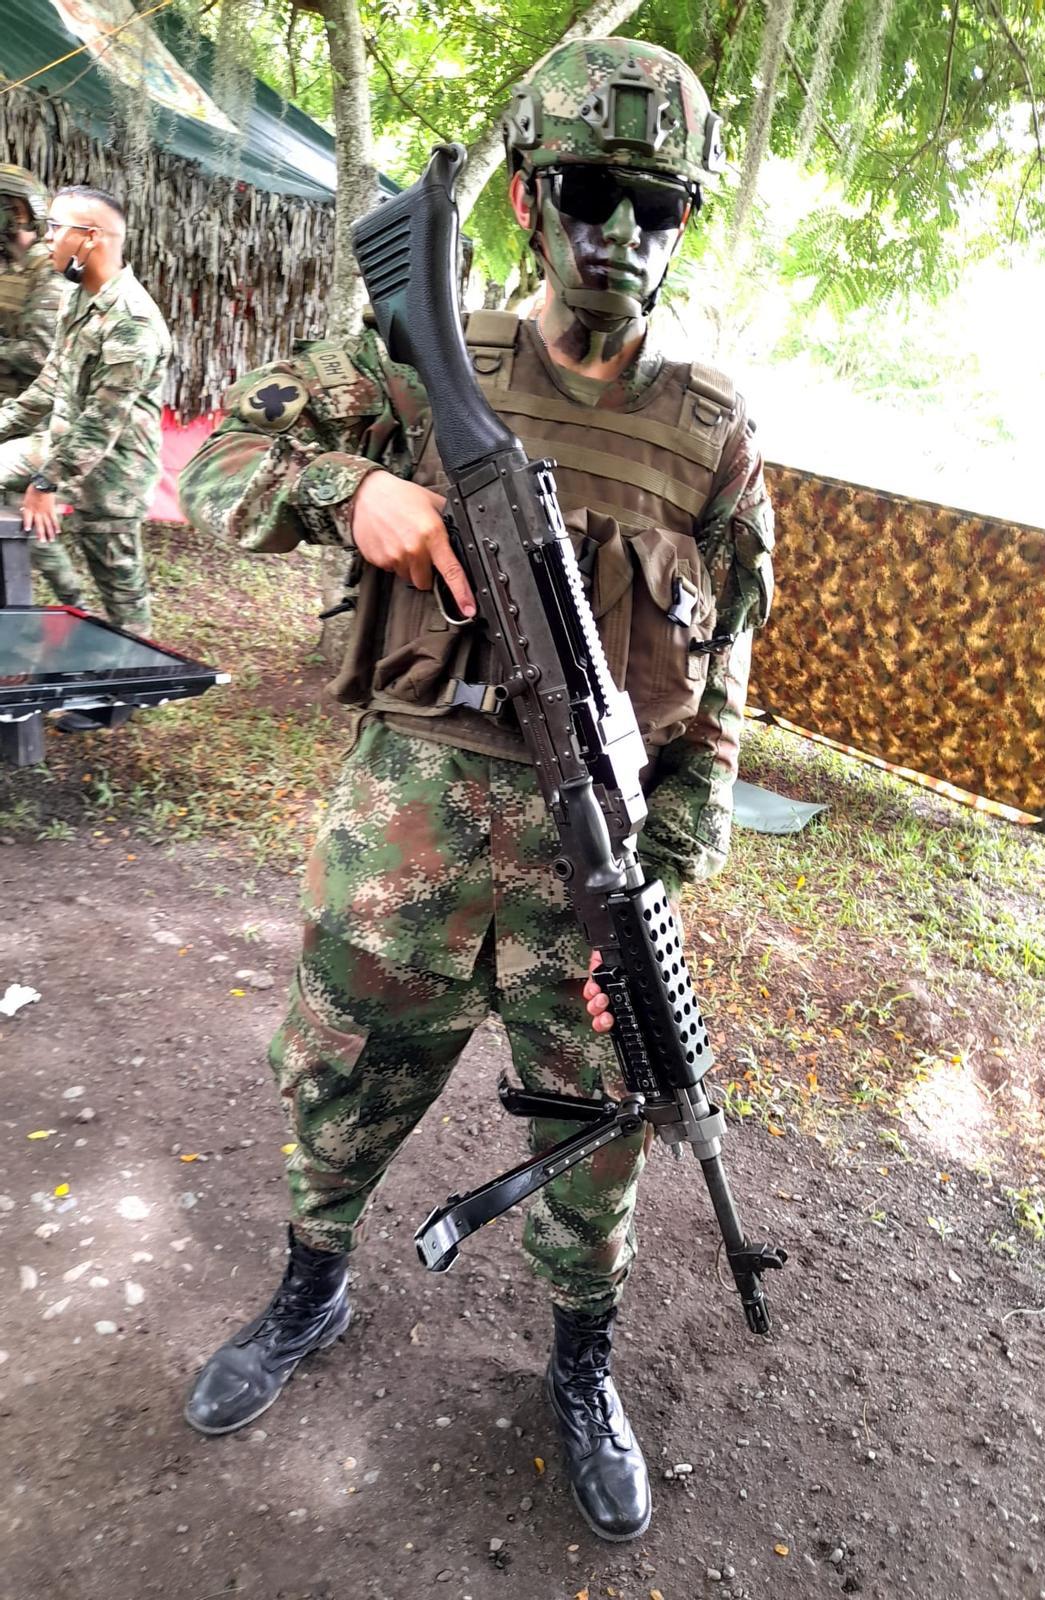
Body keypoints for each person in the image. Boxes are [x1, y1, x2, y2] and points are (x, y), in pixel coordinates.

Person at [178, 37, 774, 1543]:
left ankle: (580, 1367)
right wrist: (352, 494)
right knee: (335, 1096)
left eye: (657, 208)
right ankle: (310, 1292)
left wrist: (665, 871)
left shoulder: (713, 438)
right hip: (401, 852)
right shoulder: (420, 360)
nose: (620, 236)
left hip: (592, 889)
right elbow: (219, 464)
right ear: (524, 195)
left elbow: (728, 687)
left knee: (596, 1157)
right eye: (590, 193)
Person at [0, 185, 170, 640]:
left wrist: (45, 484)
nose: (46, 238)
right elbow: (51, 381)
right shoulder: (79, 297)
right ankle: (48, 602)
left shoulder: (130, 321)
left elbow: (101, 423)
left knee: (119, 589)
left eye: (56, 227)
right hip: (59, 446)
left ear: (90, 237)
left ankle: (128, 686)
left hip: (114, 470)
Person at [0, 165, 61, 401]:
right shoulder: (8, 266)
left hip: (30, 418)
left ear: (17, 212)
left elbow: (41, 354)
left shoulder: (49, 270)